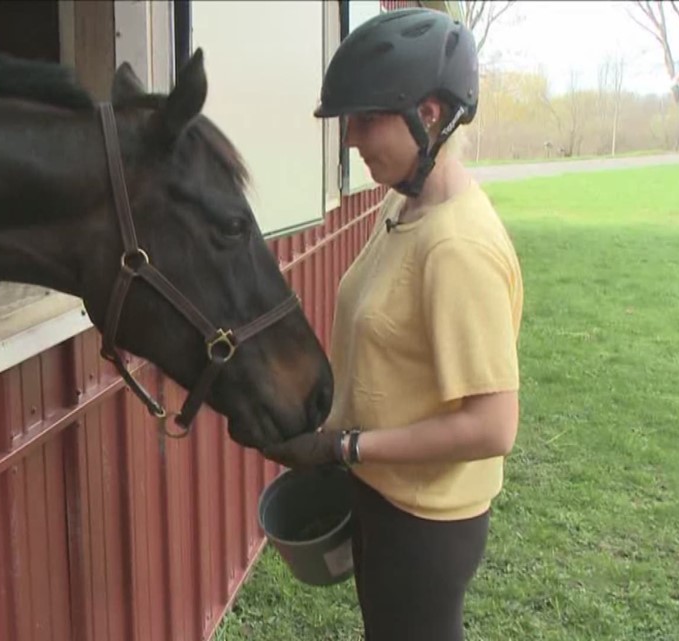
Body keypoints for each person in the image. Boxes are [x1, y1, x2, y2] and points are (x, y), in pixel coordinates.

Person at [261, 8, 524, 641]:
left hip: (426, 520)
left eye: (365, 119)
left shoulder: (457, 249)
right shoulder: (404, 204)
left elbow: (493, 426)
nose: (351, 139)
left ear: (428, 114)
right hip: (382, 493)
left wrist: (346, 447)